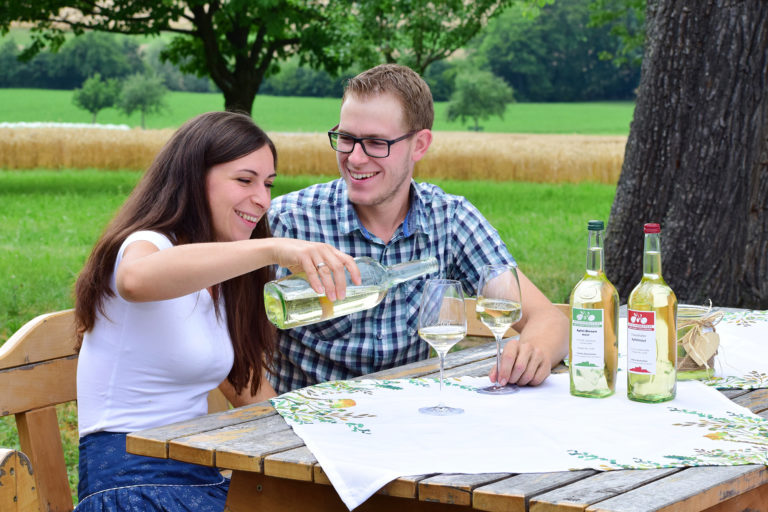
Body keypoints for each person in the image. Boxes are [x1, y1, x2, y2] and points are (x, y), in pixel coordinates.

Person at [73, 111, 359, 511]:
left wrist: (328, 435)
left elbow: (250, 391)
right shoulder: (149, 244)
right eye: (245, 180)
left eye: (268, 184)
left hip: (197, 475)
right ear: (194, 177)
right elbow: (135, 280)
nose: (262, 198)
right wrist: (273, 248)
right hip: (130, 485)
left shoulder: (220, 282)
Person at [268, 64, 569, 394]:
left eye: (375, 143)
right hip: (304, 426)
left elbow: (549, 320)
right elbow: (223, 342)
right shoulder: (289, 221)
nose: (354, 158)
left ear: (420, 145)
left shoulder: (449, 220)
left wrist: (532, 351)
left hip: (410, 422)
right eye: (346, 139)